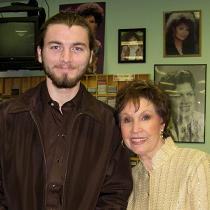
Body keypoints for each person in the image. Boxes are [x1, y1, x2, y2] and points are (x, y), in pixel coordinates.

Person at [0, 12, 133, 210]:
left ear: (91, 57)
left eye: (77, 48)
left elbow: (115, 192)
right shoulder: (6, 117)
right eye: (55, 47)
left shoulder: (108, 123)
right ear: (39, 53)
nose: (66, 58)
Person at [115, 80, 210, 210]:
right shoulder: (132, 177)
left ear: (162, 122)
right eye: (127, 120)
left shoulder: (196, 163)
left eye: (145, 117)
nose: (135, 129)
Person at [159, 70, 204, 142]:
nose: (186, 101)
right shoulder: (160, 125)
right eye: (179, 95)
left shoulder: (202, 123)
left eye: (189, 94)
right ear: (168, 99)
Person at [76, 2, 104, 73]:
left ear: (96, 25)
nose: (88, 24)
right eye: (85, 21)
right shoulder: (73, 43)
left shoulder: (97, 45)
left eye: (91, 21)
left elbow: (93, 68)